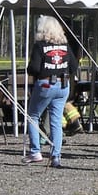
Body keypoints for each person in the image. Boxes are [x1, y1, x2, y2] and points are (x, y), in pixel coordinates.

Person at [24, 16, 76, 167]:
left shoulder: (40, 46)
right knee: (56, 121)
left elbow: (33, 68)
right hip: (63, 85)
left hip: (46, 84)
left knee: (33, 116)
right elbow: (73, 67)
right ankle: (56, 155)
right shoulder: (65, 46)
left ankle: (35, 151)